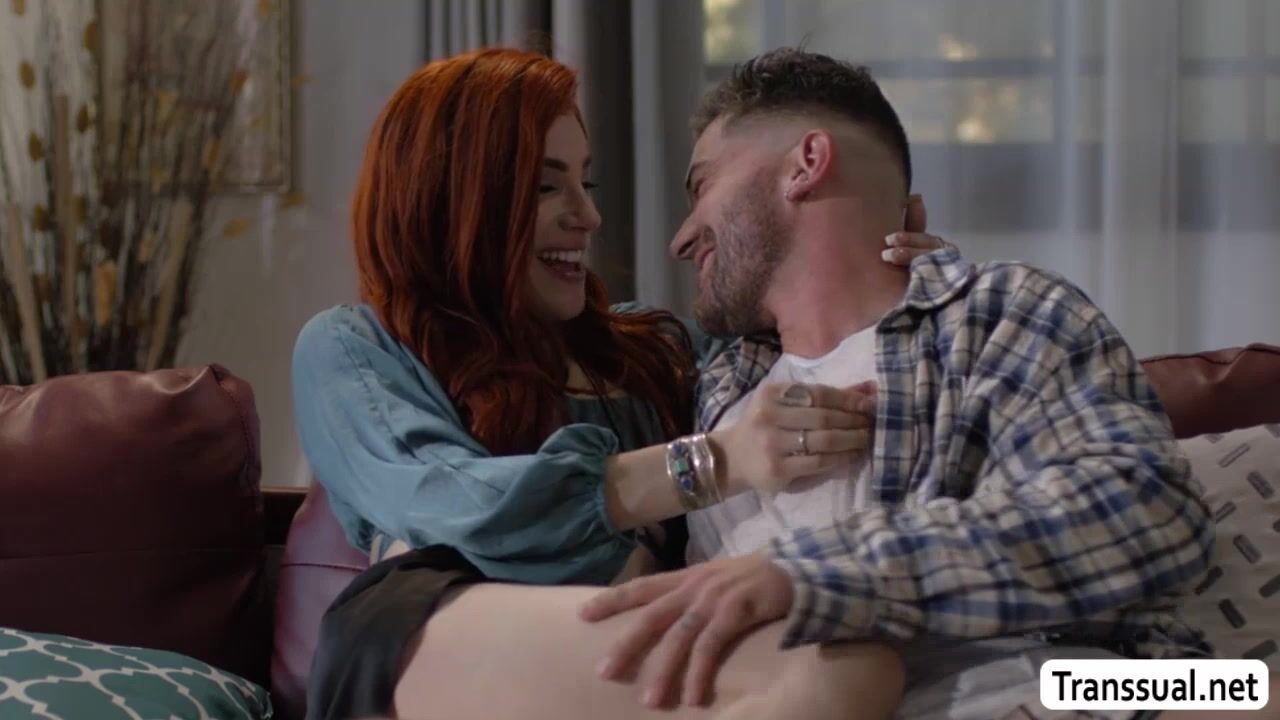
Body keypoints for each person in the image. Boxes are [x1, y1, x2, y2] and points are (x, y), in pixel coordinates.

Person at [573, 49, 1272, 720]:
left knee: (1244, 692)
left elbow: (1144, 515)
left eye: (702, 186)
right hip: (774, 697)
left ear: (806, 165)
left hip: (1054, 686)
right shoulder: (699, 378)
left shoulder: (995, 313)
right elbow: (532, 484)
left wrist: (813, 575)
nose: (681, 237)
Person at [291, 48, 947, 720]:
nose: (588, 216)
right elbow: (456, 503)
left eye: (587, 184)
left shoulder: (656, 352)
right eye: (545, 187)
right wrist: (717, 462)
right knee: (844, 669)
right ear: (451, 197)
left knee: (851, 659)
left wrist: (901, 287)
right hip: (423, 630)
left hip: (619, 664)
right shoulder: (356, 346)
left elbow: (803, 318)